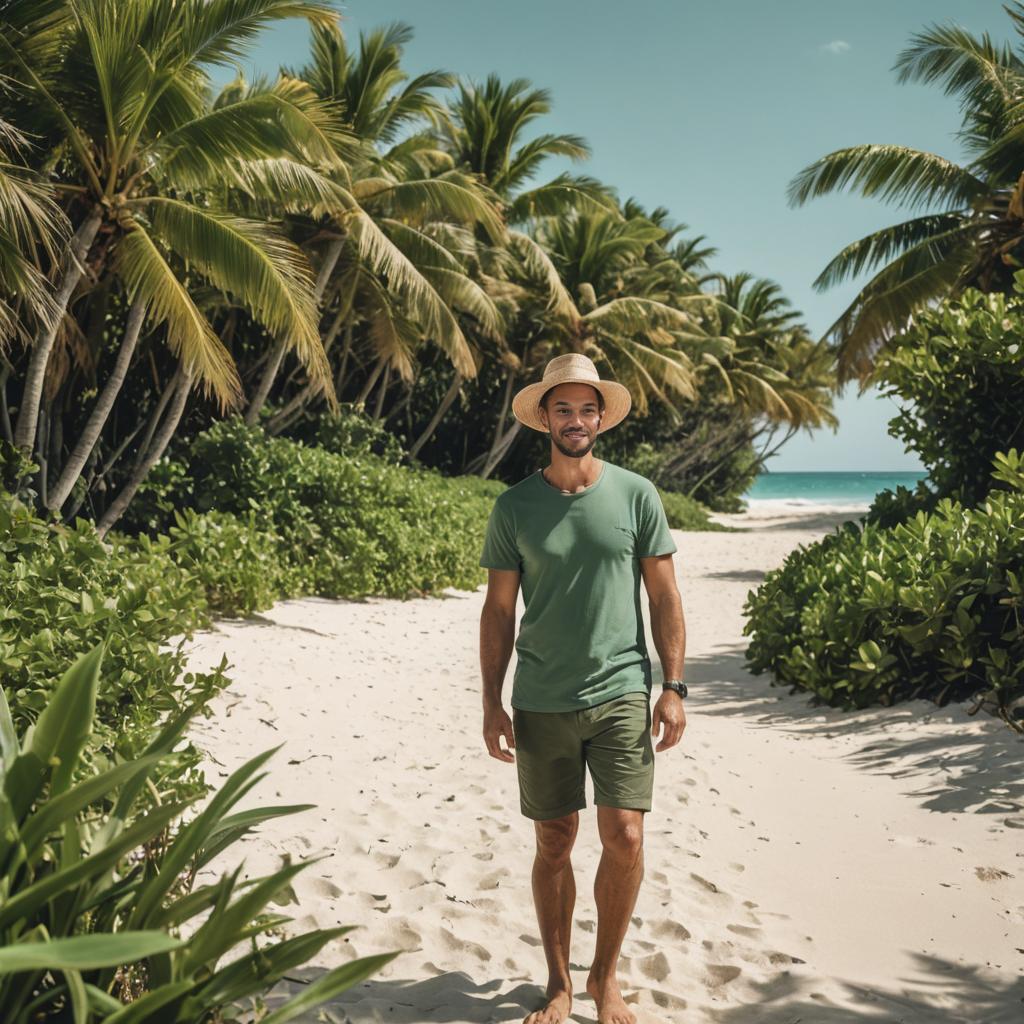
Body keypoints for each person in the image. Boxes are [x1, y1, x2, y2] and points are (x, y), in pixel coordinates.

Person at [478, 352, 688, 1024]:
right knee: (554, 842)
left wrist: (674, 684)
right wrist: (490, 701)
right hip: (540, 697)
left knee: (625, 835)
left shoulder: (637, 495)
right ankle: (559, 982)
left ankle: (607, 977)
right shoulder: (514, 507)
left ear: (602, 416)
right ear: (545, 417)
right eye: (562, 409)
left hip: (623, 689)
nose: (575, 420)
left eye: (586, 408)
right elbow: (498, 611)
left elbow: (664, 595)